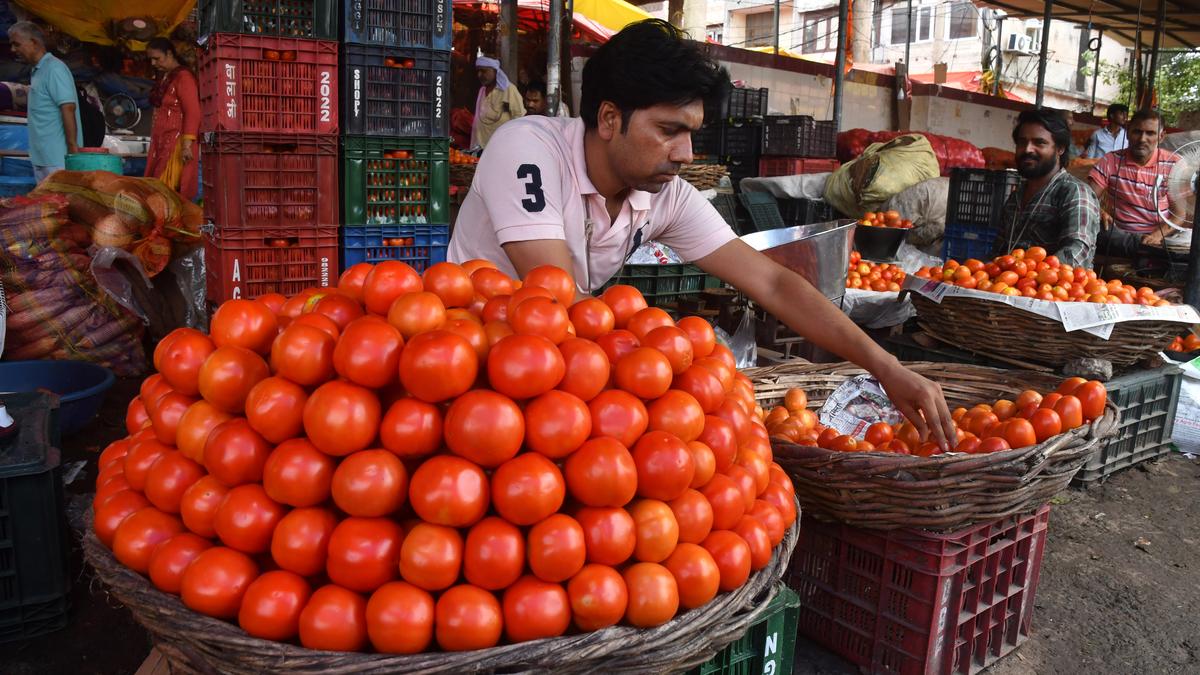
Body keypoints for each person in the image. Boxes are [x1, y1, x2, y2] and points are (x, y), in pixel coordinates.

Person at [448, 19, 956, 448]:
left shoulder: (662, 192)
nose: (686, 153)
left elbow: (774, 284)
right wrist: (667, 370)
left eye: (692, 133)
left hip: (557, 380)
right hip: (464, 370)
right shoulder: (527, 150)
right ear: (608, 118)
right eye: (669, 130)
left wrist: (885, 366)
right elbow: (553, 295)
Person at [990, 109, 1101, 268]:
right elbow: (999, 252)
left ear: (1060, 149)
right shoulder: (1016, 197)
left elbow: (1075, 255)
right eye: (1022, 142)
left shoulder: (1074, 192)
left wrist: (1032, 276)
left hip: (1052, 289)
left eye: (1039, 142)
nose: (1028, 149)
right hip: (1009, 287)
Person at [1089, 109, 1182, 247]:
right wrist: (1099, 211)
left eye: (1150, 133)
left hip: (1160, 236)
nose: (1142, 139)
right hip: (1120, 236)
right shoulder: (1110, 160)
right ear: (1127, 133)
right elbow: (1087, 198)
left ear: (1161, 136)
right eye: (1137, 132)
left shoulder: (1174, 164)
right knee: (1096, 229)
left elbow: (1179, 214)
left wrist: (1156, 235)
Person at [7, 21, 81, 183]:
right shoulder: (38, 70)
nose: (13, 50)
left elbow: (68, 109)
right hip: (43, 158)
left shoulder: (54, 69)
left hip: (58, 159)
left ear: (33, 42)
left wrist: (73, 153)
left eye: (16, 44)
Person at [143, 37, 200, 200]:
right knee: (157, 190)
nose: (153, 63)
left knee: (167, 193)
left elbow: (193, 112)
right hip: (162, 140)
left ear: (169, 54)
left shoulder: (184, 77)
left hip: (176, 143)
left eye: (157, 58)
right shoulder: (167, 77)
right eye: (151, 59)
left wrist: (187, 145)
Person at [470, 55, 524, 150]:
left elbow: (519, 118)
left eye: (484, 71)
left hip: (501, 149)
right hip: (479, 149)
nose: (479, 75)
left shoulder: (509, 90)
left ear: (495, 71)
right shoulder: (482, 90)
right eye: (478, 71)